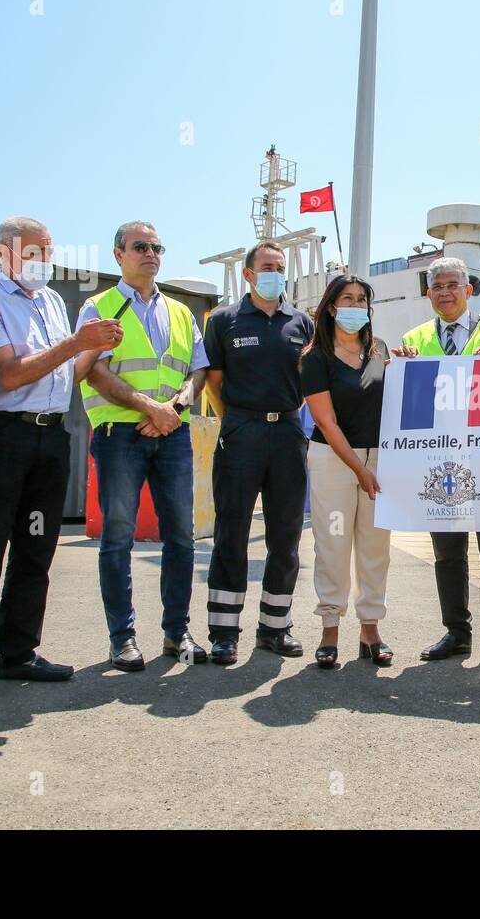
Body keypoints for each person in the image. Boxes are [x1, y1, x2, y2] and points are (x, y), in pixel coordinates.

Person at [0, 217, 123, 701]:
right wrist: (78, 343)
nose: (43, 261)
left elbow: (63, 370)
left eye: (48, 251)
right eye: (34, 252)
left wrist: (94, 351)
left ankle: (19, 653)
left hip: (51, 438)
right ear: (4, 252)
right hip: (3, 436)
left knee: (36, 550)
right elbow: (8, 375)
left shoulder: (49, 300)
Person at [77, 221, 209, 671]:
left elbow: (197, 371)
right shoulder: (99, 307)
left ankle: (177, 632)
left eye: (157, 247)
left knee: (181, 538)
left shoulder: (180, 312)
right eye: (140, 247)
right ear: (118, 254)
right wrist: (149, 408)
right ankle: (123, 638)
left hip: (171, 433)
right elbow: (93, 370)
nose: (150, 253)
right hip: (119, 434)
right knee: (117, 538)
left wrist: (175, 405)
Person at [390, 256, 480, 665]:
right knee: (447, 553)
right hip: (439, 462)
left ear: (468, 289)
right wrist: (402, 370)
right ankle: (456, 633)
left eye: (451, 285)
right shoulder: (413, 338)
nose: (444, 293)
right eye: (436, 287)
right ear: (428, 294)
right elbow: (405, 404)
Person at [201, 241, 313, 664]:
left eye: (280, 267)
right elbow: (213, 379)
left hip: (286, 433)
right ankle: (224, 632)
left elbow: (307, 380)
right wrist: (237, 417)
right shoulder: (225, 320)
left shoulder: (301, 322)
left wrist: (285, 414)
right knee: (232, 533)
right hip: (240, 431)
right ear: (248, 274)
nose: (275, 273)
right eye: (267, 267)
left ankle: (275, 628)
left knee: (285, 537)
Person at [300, 274, 392, 667]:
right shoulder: (314, 357)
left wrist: (407, 366)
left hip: (379, 460)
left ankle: (370, 628)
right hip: (335, 463)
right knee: (333, 544)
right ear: (331, 307)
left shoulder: (380, 349)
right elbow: (327, 423)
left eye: (361, 300)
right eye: (347, 299)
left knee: (375, 547)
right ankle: (330, 629)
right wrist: (359, 469)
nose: (354, 307)